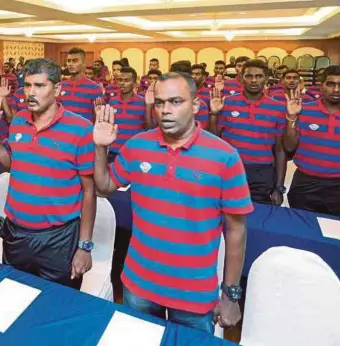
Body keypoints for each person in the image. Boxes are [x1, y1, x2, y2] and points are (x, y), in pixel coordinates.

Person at [93, 72, 252, 334]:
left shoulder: (225, 157)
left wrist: (231, 296)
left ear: (196, 105)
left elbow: (236, 231)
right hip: (139, 284)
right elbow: (104, 186)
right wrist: (101, 148)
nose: (166, 110)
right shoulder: (137, 146)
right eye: (159, 102)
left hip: (194, 294)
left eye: (176, 102)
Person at [0, 58, 96, 289]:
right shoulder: (19, 121)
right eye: (27, 85)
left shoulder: (81, 129)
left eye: (40, 86)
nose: (31, 93)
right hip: (15, 232)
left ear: (57, 89)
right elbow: (13, 165)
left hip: (58, 239)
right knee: (15, 293)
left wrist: (84, 246)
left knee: (56, 305)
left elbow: (89, 192)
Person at [284, 65, 340, 217]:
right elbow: (289, 147)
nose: (336, 90)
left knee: (336, 232)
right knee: (302, 230)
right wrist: (292, 117)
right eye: (330, 84)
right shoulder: (303, 110)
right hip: (305, 182)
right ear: (321, 86)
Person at [210, 59, 287, 205]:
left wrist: (279, 187)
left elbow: (280, 149)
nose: (253, 80)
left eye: (259, 76)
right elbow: (214, 140)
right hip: (230, 168)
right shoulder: (227, 103)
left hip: (262, 172)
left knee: (258, 217)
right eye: (249, 76)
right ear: (241, 78)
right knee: (227, 213)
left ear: (266, 78)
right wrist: (213, 114)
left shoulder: (278, 108)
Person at [106, 66, 154, 162]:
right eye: (120, 80)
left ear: (135, 83)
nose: (122, 83)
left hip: (135, 151)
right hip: (114, 152)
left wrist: (149, 107)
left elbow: (150, 129)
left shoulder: (143, 102)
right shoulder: (112, 102)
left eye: (126, 80)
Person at [58, 47, 103, 122]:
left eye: (75, 61)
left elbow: (98, 117)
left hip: (85, 132)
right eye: (68, 61)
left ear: (83, 63)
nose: (70, 64)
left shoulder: (95, 88)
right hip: (63, 131)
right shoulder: (60, 86)